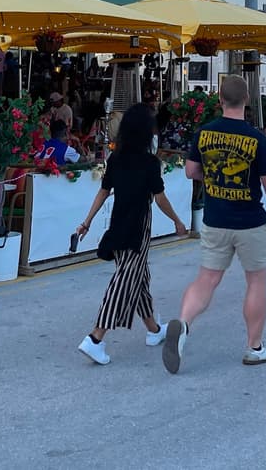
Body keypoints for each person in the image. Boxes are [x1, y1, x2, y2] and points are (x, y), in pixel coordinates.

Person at [163, 74, 266, 374]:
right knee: (256, 281)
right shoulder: (256, 138)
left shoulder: (204, 133)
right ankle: (255, 347)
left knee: (206, 279)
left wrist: (214, 177)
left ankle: (182, 324)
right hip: (250, 221)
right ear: (247, 101)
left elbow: (191, 172)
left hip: (215, 219)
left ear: (220, 99)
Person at [75, 104, 188, 365]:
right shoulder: (150, 163)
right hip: (139, 225)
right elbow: (159, 199)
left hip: (119, 221)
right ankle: (95, 338)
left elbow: (104, 192)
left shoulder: (116, 158)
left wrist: (87, 221)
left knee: (138, 278)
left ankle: (154, 330)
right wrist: (178, 222)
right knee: (125, 279)